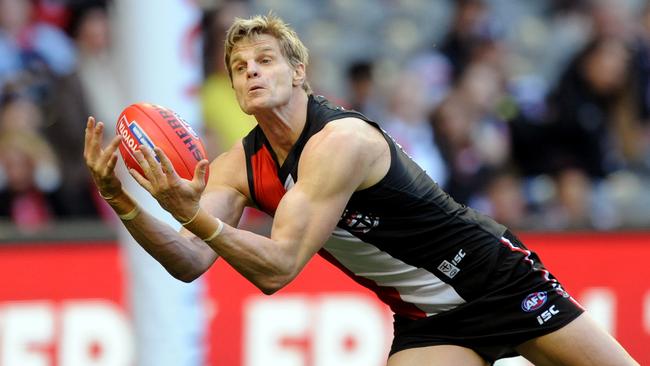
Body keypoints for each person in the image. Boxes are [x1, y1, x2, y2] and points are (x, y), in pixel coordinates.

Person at [84, 13, 639, 366]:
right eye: (238, 67)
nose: (251, 72)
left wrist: (196, 216)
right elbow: (189, 260)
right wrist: (125, 201)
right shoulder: (239, 166)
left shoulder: (340, 141)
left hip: (494, 279)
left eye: (265, 61)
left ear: (299, 72)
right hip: (428, 321)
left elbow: (276, 269)